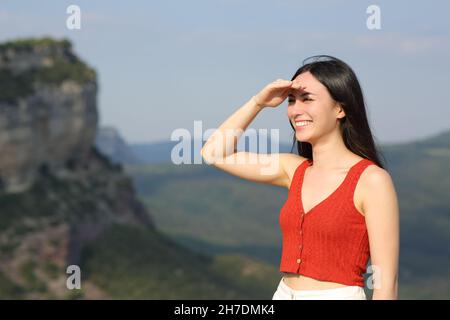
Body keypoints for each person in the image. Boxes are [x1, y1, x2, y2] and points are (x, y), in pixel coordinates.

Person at [200, 55, 399, 300]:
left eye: (307, 99)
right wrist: (258, 102)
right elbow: (213, 153)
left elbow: (385, 285)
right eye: (292, 100)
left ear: (340, 108)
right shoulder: (293, 169)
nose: (296, 110)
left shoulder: (371, 181)